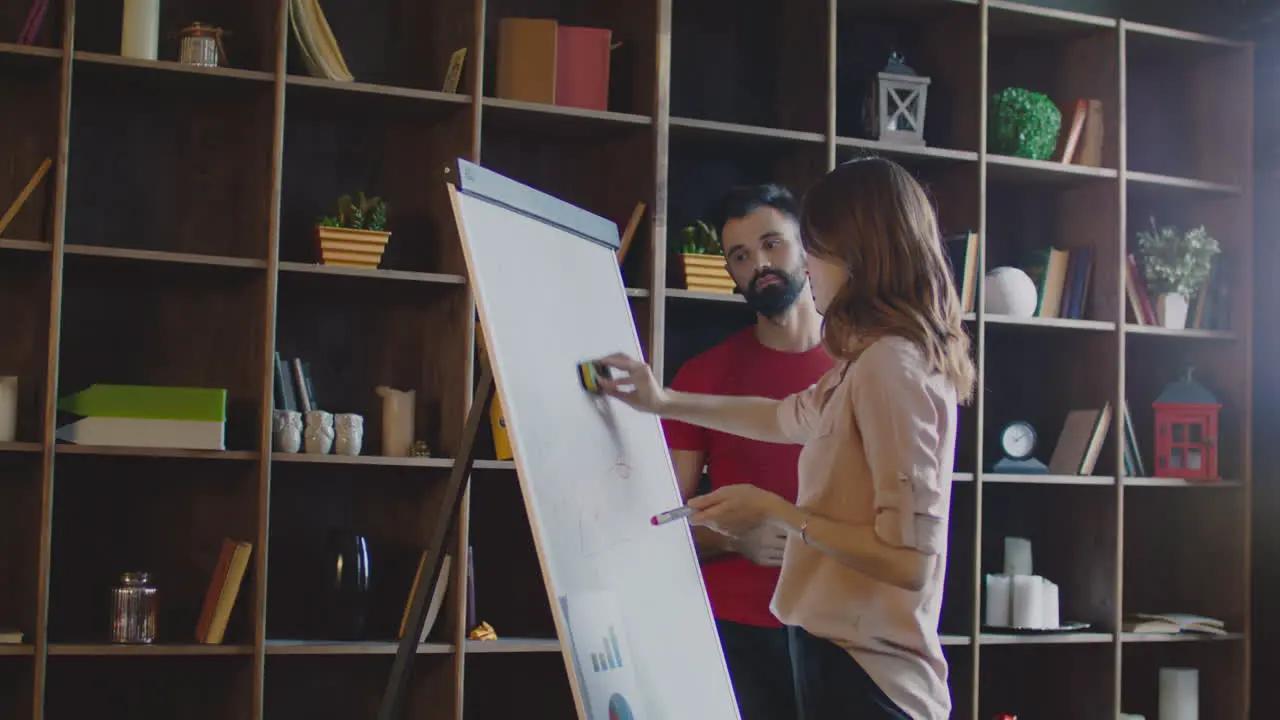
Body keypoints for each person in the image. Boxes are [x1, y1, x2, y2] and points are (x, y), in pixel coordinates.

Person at [596, 156, 974, 720]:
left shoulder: (891, 365)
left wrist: (778, 513)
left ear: (855, 253)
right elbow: (781, 418)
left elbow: (910, 562)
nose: (811, 269)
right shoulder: (867, 362)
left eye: (811, 249)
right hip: (839, 657)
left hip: (870, 677)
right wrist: (663, 401)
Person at [662, 184, 833, 720]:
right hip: (731, 635)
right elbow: (654, 523)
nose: (759, 264)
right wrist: (732, 536)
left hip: (844, 629)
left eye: (772, 244)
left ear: (806, 247)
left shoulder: (864, 369)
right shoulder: (701, 378)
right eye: (740, 255)